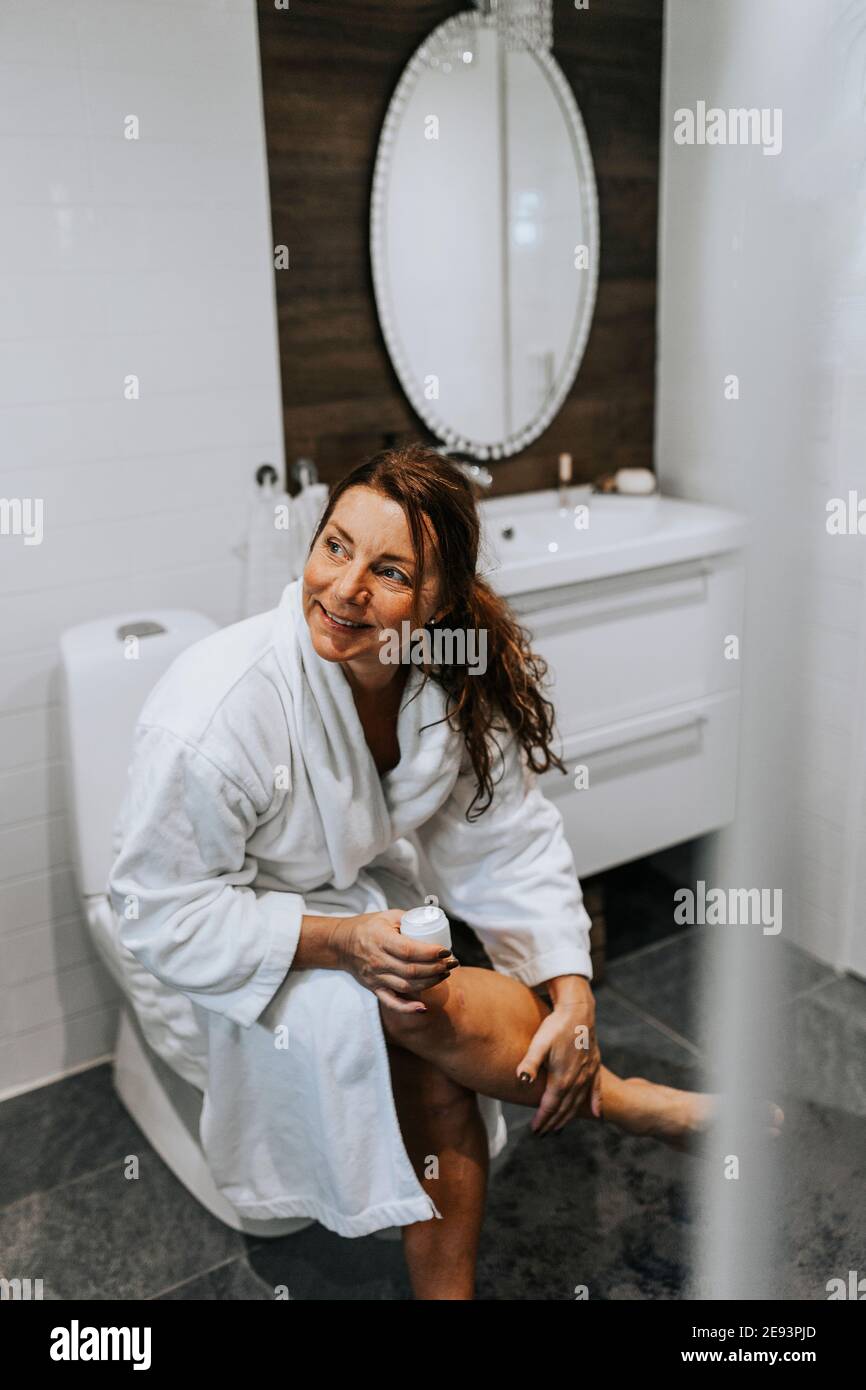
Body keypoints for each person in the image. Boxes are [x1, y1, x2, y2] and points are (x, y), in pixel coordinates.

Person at [108, 443, 782, 1300]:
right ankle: (626, 1101)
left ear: (438, 603)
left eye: (389, 571)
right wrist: (340, 940)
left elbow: (510, 841)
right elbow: (161, 915)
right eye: (336, 546)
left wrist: (575, 1000)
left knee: (420, 1023)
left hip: (350, 905)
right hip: (224, 941)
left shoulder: (448, 680)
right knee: (415, 1011)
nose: (346, 587)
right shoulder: (217, 712)